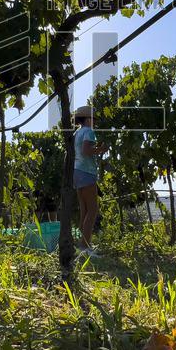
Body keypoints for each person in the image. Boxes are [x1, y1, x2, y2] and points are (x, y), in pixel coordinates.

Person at [73, 105, 106, 255]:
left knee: (84, 210)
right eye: (93, 119)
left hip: (77, 172)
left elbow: (81, 150)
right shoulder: (89, 132)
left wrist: (96, 148)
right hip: (87, 172)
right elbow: (87, 151)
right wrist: (101, 150)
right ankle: (85, 247)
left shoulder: (77, 132)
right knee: (92, 210)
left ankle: (82, 244)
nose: (95, 122)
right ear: (87, 119)